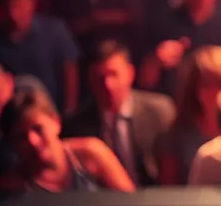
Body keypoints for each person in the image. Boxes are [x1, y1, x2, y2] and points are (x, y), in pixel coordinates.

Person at [62, 40, 175, 187]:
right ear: (89, 80)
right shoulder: (77, 125)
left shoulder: (159, 112)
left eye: (113, 74)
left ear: (130, 73)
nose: (107, 85)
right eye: (99, 78)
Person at [0, 86, 134, 193]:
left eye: (38, 129)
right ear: (11, 143)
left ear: (56, 122)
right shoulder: (9, 188)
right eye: (21, 137)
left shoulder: (90, 154)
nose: (33, 141)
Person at [155, 46, 221, 185]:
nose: (214, 92)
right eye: (206, 85)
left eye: (220, 84)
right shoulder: (175, 135)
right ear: (193, 89)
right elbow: (168, 190)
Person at [0, 0, 80, 115]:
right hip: (12, 116)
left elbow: (70, 70)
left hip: (53, 111)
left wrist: (70, 111)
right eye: (8, 8)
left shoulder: (54, 30)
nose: (13, 14)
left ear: (32, 2)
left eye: (19, 6)